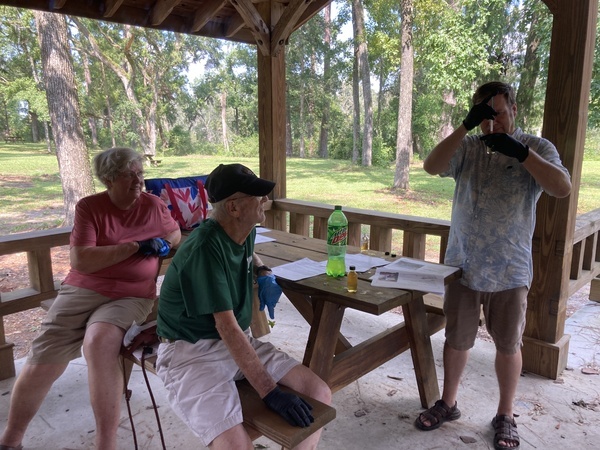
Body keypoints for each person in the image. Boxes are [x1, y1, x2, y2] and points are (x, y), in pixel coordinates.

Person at [414, 82, 571, 450]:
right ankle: (448, 403)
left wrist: (521, 153)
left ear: (513, 109)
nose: (492, 123)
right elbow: (432, 166)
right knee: (456, 339)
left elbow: (561, 187)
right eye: (484, 116)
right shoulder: (468, 147)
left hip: (510, 267)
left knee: (507, 344)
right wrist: (465, 126)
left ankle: (505, 414)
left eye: (497, 113)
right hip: (463, 265)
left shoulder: (538, 147)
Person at [0, 147, 181, 450]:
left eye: (140, 174)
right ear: (109, 179)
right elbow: (82, 261)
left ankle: (105, 444)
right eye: (129, 175)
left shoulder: (152, 205)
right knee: (45, 351)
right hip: (82, 289)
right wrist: (136, 247)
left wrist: (164, 244)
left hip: (132, 294)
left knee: (99, 342)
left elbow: (174, 234)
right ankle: (11, 439)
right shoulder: (90, 207)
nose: (138, 181)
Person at [155, 163, 332, 450]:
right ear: (234, 208)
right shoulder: (204, 248)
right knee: (236, 445)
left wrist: (263, 272)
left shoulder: (243, 230)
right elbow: (227, 328)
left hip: (234, 342)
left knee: (319, 392)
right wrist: (270, 392)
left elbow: (249, 254)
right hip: (190, 351)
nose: (265, 201)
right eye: (257, 196)